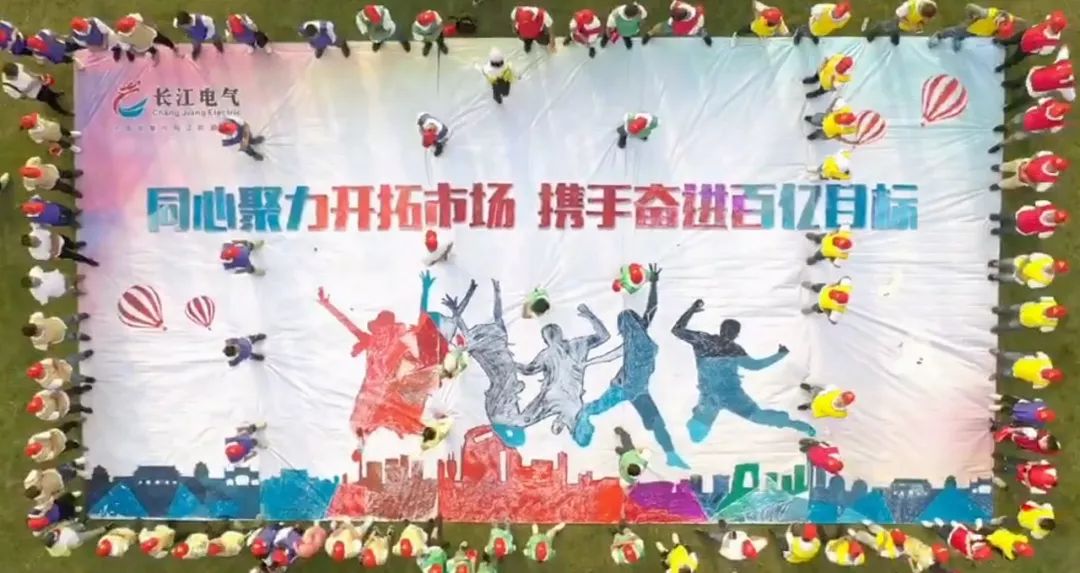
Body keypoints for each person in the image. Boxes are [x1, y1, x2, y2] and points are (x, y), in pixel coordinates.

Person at [672, 299, 813, 439]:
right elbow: (756, 366)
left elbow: (677, 330)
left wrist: (691, 310)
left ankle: (698, 420)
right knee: (758, 416)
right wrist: (779, 355)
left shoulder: (704, 341)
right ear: (736, 335)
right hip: (728, 395)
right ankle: (797, 425)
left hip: (713, 395)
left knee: (698, 432)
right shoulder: (734, 350)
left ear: (721, 330)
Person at [1003, 46, 1074, 111]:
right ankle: (1008, 107)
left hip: (1033, 76)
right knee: (1022, 99)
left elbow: (1064, 52)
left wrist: (1065, 48)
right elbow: (1070, 98)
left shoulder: (1062, 64)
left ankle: (1009, 85)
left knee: (1020, 82)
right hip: (1034, 90)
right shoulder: (1066, 86)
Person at [989, 98, 1070, 153]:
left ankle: (1000, 145)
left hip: (1031, 130)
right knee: (1014, 120)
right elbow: (1040, 101)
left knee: (1015, 137)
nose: (1052, 112)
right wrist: (1034, 109)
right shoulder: (1051, 102)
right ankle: (1006, 127)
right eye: (1053, 109)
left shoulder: (1059, 123)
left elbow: (1051, 131)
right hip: (1026, 116)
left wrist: (1043, 130)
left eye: (1055, 112)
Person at [996, 11, 1067, 71]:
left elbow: (1043, 53)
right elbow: (1046, 19)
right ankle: (1003, 43)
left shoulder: (1050, 43)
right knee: (1012, 39)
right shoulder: (1050, 22)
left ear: (1053, 28)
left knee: (1014, 59)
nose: (1048, 21)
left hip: (1026, 48)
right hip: (1025, 34)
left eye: (1050, 22)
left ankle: (1004, 66)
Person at [928, 4, 1013, 52]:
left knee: (966, 35)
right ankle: (939, 36)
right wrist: (971, 19)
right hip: (972, 26)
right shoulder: (985, 14)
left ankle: (958, 38)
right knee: (954, 31)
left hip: (979, 31)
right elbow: (969, 7)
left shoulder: (1008, 19)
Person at [2, 63, 71, 116]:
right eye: (17, 74)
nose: (18, 74)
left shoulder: (15, 66)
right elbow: (22, 97)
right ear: (9, 75)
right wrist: (31, 85)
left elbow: (26, 70)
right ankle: (60, 110)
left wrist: (36, 75)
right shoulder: (8, 86)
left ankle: (54, 95)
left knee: (49, 91)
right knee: (51, 101)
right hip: (37, 94)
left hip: (39, 83)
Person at [865, 0, 938, 45]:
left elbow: (927, 18)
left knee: (897, 32)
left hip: (911, 24)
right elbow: (898, 16)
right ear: (920, 12)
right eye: (925, 18)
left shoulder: (932, 6)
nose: (927, 20)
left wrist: (920, 24)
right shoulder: (907, 7)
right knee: (889, 28)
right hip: (901, 20)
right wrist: (910, 25)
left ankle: (894, 36)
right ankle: (874, 30)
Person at [991, 150, 1068, 191]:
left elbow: (1037, 188)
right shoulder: (1050, 155)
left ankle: (999, 185)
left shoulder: (1049, 181)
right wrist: (1028, 163)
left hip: (1021, 179)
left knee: (1009, 183)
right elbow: (1037, 154)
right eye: (1052, 161)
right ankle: (1000, 167)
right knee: (1009, 165)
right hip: (1022, 163)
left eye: (1052, 165)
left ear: (1056, 169)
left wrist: (1026, 179)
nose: (1050, 163)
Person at [24, 459, 89, 506]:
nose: (40, 486)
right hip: (60, 481)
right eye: (40, 489)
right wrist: (60, 492)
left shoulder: (28, 481)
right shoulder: (42, 497)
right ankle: (81, 469)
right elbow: (53, 497)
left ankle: (80, 464)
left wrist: (39, 478)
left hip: (54, 472)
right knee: (71, 472)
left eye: (38, 486)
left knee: (68, 468)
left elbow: (37, 471)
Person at [22, 227, 99, 267]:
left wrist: (53, 249)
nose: (38, 239)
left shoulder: (35, 232)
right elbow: (52, 257)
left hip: (61, 240)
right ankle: (87, 260)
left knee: (70, 244)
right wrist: (54, 246)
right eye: (35, 242)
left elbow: (53, 235)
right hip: (60, 252)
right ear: (32, 246)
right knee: (75, 256)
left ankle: (75, 246)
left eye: (35, 238)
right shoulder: (35, 254)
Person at [922, 519, 993, 561]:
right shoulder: (973, 548)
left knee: (941, 531)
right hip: (957, 532)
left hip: (951, 538)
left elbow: (969, 539)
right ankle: (941, 524)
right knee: (947, 527)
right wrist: (981, 537)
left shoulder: (969, 550)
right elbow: (974, 537)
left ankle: (932, 525)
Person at [991, 200, 1068, 238]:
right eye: (1054, 214)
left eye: (1054, 218)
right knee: (1009, 216)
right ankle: (998, 217)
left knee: (1009, 230)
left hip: (1022, 229)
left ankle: (998, 231)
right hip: (1021, 215)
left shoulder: (1049, 230)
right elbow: (1037, 203)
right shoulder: (1048, 205)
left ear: (1056, 222)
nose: (1051, 216)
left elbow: (1041, 236)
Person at [990, 348, 1062, 389]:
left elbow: (1035, 386)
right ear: (1051, 369)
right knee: (1007, 355)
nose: (1042, 373)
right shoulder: (1046, 362)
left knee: (1005, 372)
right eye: (1045, 371)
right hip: (1020, 359)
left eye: (1044, 375)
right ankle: (998, 354)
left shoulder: (1043, 383)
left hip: (1017, 372)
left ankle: (998, 374)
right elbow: (1040, 353)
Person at [988, 252, 1068, 288]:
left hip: (1020, 277)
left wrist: (1020, 275)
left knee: (1008, 278)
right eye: (1054, 265)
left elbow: (1030, 283)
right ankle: (996, 264)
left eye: (1055, 268)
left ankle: (995, 277)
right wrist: (1020, 269)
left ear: (1057, 272)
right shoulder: (1048, 259)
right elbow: (1030, 257)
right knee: (1008, 262)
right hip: (1021, 262)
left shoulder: (1045, 281)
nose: (1052, 267)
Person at [698, 520, 768, 562]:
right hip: (731, 542)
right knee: (728, 531)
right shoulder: (753, 548)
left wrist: (729, 533)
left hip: (726, 543)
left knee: (715, 535)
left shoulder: (732, 546)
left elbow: (728, 539)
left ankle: (704, 533)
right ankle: (723, 527)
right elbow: (765, 540)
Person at [992, 296, 1066, 334]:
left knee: (1011, 325)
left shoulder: (1052, 324)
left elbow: (1043, 330)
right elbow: (1040, 298)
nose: (1046, 312)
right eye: (1049, 310)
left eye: (1049, 314)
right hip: (1023, 307)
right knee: (1011, 308)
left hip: (1023, 322)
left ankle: (997, 328)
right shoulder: (1051, 301)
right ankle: (999, 310)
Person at [23, 311, 91, 351]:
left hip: (58, 324)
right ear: (35, 332)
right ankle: (79, 335)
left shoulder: (34, 320)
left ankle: (79, 317)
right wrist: (49, 345)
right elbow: (46, 347)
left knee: (70, 320)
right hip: (59, 334)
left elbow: (39, 314)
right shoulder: (37, 342)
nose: (38, 326)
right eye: (36, 328)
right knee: (71, 334)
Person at [27, 353, 96, 390]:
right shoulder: (47, 384)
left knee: (73, 358)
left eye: (39, 368)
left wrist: (60, 370)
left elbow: (54, 359)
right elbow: (63, 381)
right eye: (40, 370)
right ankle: (86, 379)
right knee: (77, 378)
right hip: (69, 376)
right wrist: (58, 367)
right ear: (39, 375)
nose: (42, 368)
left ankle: (84, 355)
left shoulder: (41, 364)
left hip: (65, 363)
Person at [27, 386, 94, 420]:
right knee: (74, 408)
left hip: (58, 397)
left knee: (72, 391)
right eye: (40, 405)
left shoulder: (39, 396)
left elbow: (49, 392)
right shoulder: (42, 415)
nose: (42, 403)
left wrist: (57, 394)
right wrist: (62, 409)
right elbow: (55, 415)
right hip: (60, 408)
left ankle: (82, 389)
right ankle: (83, 409)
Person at [992, 423, 1060, 455]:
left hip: (1017, 439)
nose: (1042, 447)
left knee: (1004, 437)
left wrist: (1023, 448)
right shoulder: (1032, 434)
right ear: (1045, 438)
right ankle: (996, 428)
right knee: (1002, 432)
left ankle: (997, 432)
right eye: (1044, 444)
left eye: (1044, 448)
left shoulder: (1040, 448)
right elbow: (1021, 430)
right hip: (1014, 434)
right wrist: (1012, 430)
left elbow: (1031, 449)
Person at [990, 394, 1055, 427]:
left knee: (1007, 408)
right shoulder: (1041, 405)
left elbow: (1026, 423)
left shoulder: (1038, 422)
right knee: (1008, 401)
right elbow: (1034, 400)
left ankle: (997, 406)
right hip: (1021, 405)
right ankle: (998, 399)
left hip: (1018, 412)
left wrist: (1017, 420)